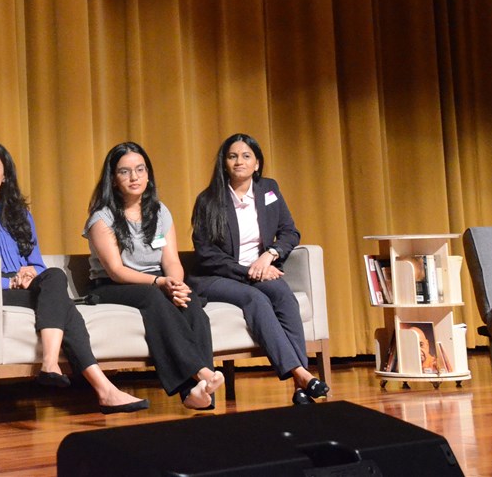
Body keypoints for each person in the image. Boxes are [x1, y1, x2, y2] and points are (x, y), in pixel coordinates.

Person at [0, 141, 148, 415]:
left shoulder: (21, 215)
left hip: (25, 286)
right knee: (64, 306)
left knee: (53, 275)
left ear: (5, 176)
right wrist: (8, 282)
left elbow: (38, 265)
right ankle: (101, 388)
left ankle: (58, 367)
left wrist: (30, 273)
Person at [189, 132, 330, 405]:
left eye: (246, 156)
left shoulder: (268, 189)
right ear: (224, 163)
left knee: (284, 296)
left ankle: (300, 388)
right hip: (217, 277)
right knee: (256, 298)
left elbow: (289, 231)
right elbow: (207, 255)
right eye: (232, 156)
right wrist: (248, 271)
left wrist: (269, 255)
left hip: (260, 270)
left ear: (257, 163)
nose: (239, 162)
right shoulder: (208, 200)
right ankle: (302, 374)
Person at [82, 142, 224, 410]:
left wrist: (177, 284)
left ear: (148, 174)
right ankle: (201, 371)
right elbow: (116, 270)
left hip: (156, 281)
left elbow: (170, 260)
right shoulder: (102, 218)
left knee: (190, 302)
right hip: (112, 285)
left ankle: (197, 394)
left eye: (140, 170)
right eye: (124, 172)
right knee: (153, 297)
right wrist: (160, 283)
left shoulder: (159, 211)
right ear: (113, 179)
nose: (134, 177)